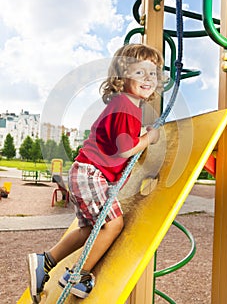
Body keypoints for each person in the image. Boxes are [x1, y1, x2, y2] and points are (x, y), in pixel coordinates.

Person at [27, 43, 164, 303]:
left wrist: (141, 133)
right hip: (91, 174)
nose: (148, 79)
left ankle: (45, 261)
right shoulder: (126, 106)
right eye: (140, 73)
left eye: (153, 73)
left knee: (90, 229)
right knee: (113, 224)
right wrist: (150, 138)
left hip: (85, 172)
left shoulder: (126, 107)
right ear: (122, 78)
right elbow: (125, 150)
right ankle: (78, 274)